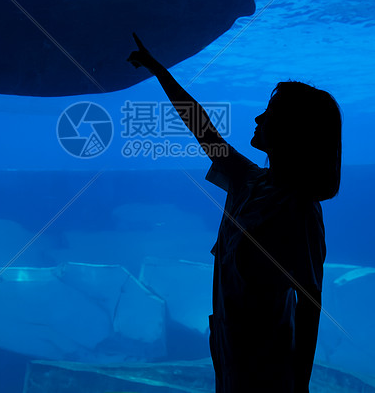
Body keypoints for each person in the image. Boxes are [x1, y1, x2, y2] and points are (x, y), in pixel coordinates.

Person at [128, 33, 341, 393]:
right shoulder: (249, 181)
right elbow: (201, 127)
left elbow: (309, 303)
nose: (259, 118)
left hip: (268, 368)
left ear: (294, 132)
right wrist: (157, 70)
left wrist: (300, 386)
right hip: (230, 353)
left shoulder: (299, 209)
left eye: (271, 115)